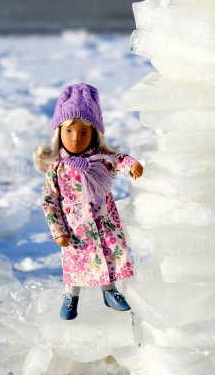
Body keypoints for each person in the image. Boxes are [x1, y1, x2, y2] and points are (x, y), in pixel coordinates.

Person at [32, 83, 143, 320]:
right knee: (75, 264)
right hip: (76, 229)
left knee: (107, 257)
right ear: (59, 133)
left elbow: (118, 159)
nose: (76, 138)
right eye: (69, 131)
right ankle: (71, 296)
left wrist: (131, 165)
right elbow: (49, 202)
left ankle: (110, 291)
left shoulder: (99, 161)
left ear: (94, 134)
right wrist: (58, 231)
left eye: (84, 132)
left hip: (103, 223)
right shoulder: (57, 169)